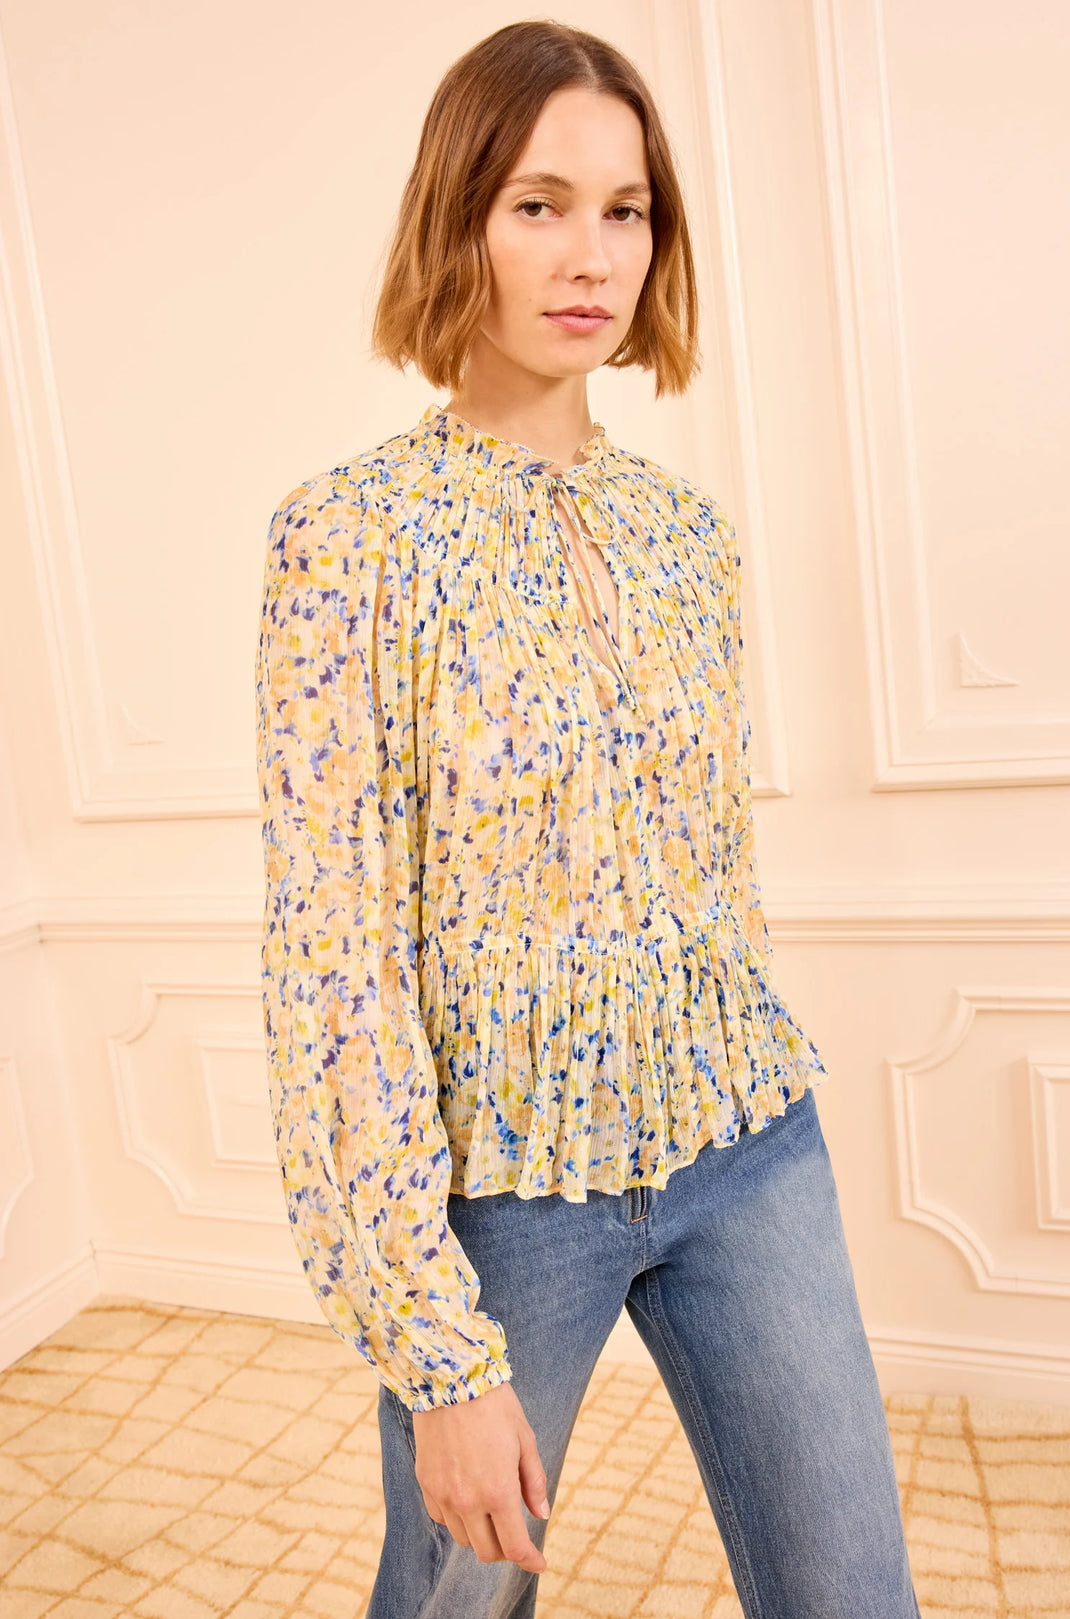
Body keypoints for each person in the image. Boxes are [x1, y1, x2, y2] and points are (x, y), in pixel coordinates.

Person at [255, 19, 921, 1619]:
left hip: (745, 1146)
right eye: (539, 203)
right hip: (503, 1199)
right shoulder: (345, 540)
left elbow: (709, 882)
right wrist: (433, 1342)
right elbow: (334, 961)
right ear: (458, 219)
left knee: (854, 1595)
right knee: (452, 1605)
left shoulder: (688, 538)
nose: (591, 254)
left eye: (627, 210)